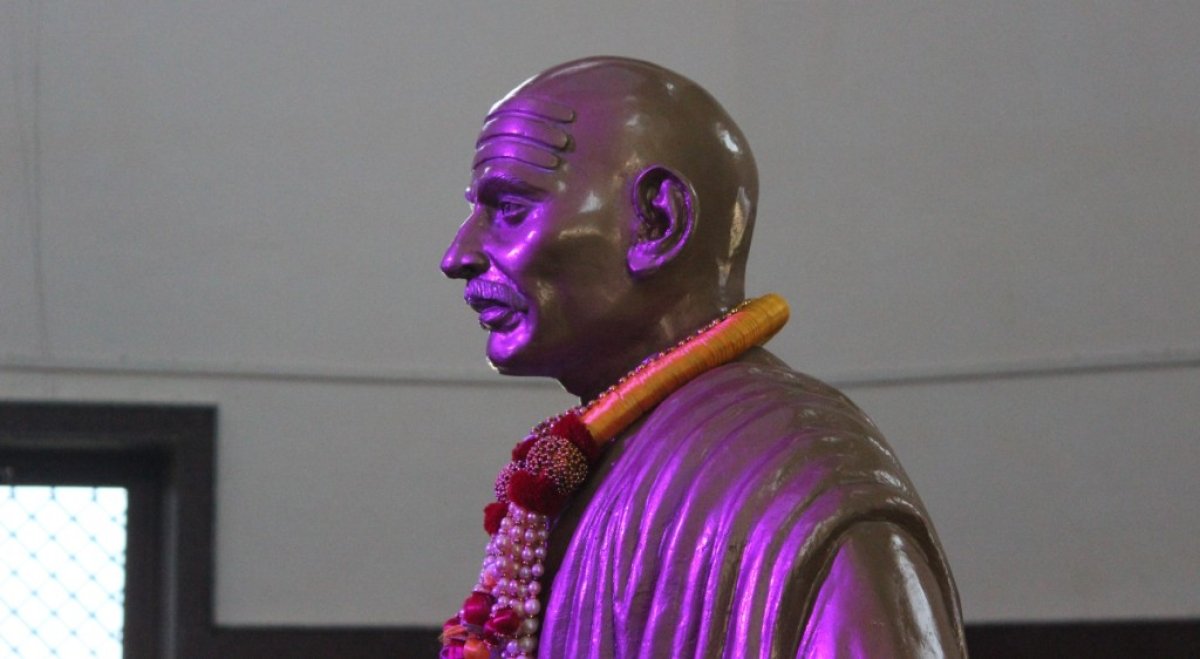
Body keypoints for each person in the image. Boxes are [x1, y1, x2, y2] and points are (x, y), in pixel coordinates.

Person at [441, 56, 966, 658]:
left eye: (510, 209)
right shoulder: (593, 462)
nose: (458, 255)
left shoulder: (808, 476)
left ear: (659, 222)